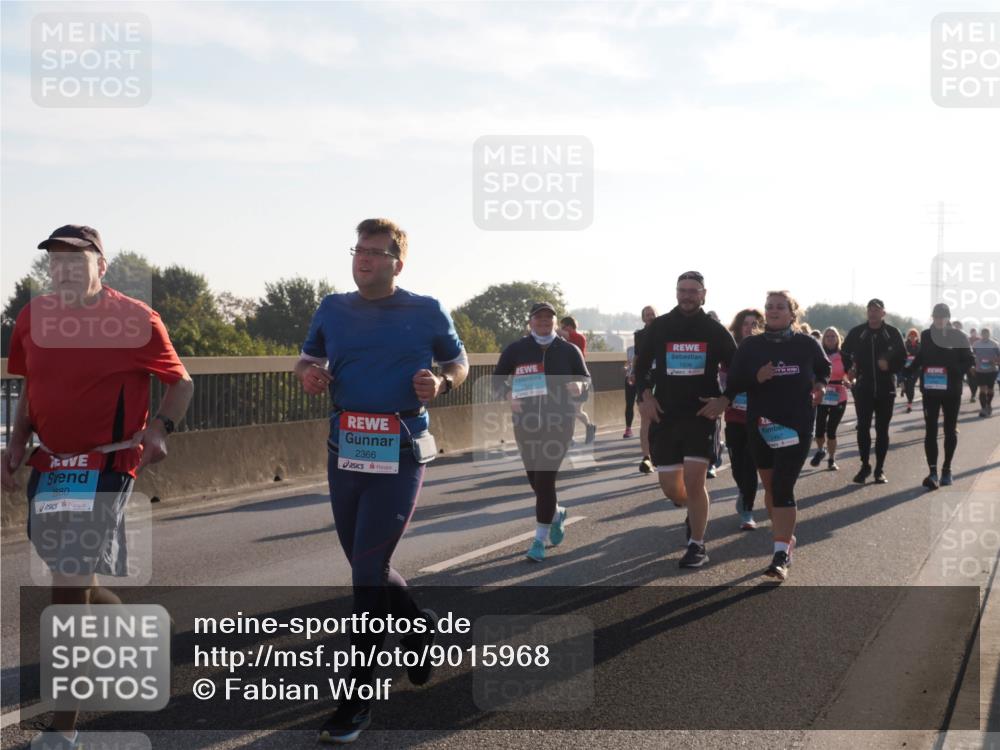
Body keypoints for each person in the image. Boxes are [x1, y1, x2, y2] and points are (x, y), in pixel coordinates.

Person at [1, 225, 194, 749]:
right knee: (70, 575)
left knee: (67, 585)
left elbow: (180, 382)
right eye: (54, 262)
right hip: (52, 464)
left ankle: (62, 731)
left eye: (75, 260)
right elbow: (30, 386)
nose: (63, 270)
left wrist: (160, 428)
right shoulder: (32, 319)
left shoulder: (135, 319)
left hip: (106, 466)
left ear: (101, 266)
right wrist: (16, 442)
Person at [296, 218, 469, 744]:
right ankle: (418, 629)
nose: (363, 258)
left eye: (375, 252)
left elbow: (459, 362)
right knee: (365, 564)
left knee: (366, 575)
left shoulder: (426, 309)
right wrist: (307, 372)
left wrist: (440, 381)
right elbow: (307, 356)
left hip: (399, 452)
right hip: (345, 449)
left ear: (398, 262)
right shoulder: (332, 308)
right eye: (358, 250)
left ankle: (356, 700)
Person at [724, 291, 830, 581]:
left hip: (796, 425)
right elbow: (733, 382)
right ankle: (786, 538)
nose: (772, 310)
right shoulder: (750, 346)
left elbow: (824, 369)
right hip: (760, 425)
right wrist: (755, 378)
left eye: (779, 307)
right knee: (771, 489)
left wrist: (820, 387)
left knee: (783, 488)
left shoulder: (807, 344)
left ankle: (780, 552)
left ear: (792, 313)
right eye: (769, 306)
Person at [634, 271, 735, 568]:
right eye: (682, 290)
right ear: (676, 293)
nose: (687, 295)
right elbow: (639, 368)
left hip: (701, 415)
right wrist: (645, 396)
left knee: (694, 480)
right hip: (665, 415)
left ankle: (697, 544)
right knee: (671, 488)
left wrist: (724, 399)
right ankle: (693, 510)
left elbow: (738, 367)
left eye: (693, 291)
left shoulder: (714, 330)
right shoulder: (661, 326)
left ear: (704, 294)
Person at [495, 302, 591, 562]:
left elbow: (586, 381)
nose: (544, 322)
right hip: (525, 423)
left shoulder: (569, 350)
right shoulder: (517, 349)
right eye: (539, 318)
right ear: (530, 322)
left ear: (555, 322)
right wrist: (507, 395)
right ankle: (557, 512)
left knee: (546, 478)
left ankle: (538, 540)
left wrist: (579, 388)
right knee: (535, 479)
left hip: (560, 422)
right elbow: (496, 379)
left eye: (548, 318)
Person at [904, 304, 974, 490]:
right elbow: (920, 357)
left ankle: (947, 469)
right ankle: (932, 472)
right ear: (932, 317)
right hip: (930, 389)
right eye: (936, 317)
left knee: (950, 430)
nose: (939, 320)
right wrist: (909, 371)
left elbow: (969, 360)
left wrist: (956, 371)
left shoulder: (959, 336)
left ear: (948, 318)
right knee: (931, 430)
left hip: (951, 390)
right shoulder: (926, 335)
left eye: (943, 317)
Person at [840, 299, 906, 484]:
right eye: (870, 309)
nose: (873, 313)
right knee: (862, 428)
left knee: (882, 430)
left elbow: (902, 357)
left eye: (877, 310)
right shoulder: (857, 332)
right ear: (867, 312)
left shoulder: (891, 333)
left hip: (886, 388)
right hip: (863, 388)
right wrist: (850, 369)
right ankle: (865, 465)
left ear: (883, 313)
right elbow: (844, 353)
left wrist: (890, 366)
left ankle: (879, 469)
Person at [723, 308, 764, 529]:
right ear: (739, 327)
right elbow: (721, 381)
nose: (750, 327)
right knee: (738, 466)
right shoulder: (729, 353)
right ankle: (743, 490)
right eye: (746, 323)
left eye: (755, 323)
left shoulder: (766, 351)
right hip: (734, 417)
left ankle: (747, 511)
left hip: (758, 419)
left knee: (751, 464)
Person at [810, 327, 850, 471]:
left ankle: (831, 460)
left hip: (839, 395)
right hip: (822, 394)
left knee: (831, 430)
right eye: (827, 336)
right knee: (820, 430)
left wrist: (850, 380)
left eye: (833, 336)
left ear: (838, 338)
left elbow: (850, 374)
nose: (830, 339)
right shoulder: (818, 355)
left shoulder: (844, 355)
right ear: (823, 339)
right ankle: (821, 450)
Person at [560, 316, 596, 444]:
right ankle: (570, 437)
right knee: (568, 409)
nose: (561, 329)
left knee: (575, 410)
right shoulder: (562, 341)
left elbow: (560, 334)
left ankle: (589, 426)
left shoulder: (578, 338)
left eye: (563, 327)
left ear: (570, 327)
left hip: (579, 378)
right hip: (568, 377)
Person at [633, 305, 657, 473]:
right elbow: (637, 357)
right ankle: (646, 457)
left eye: (653, 314)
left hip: (663, 380)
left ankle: (662, 454)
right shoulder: (639, 336)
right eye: (647, 315)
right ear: (643, 318)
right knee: (645, 418)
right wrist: (633, 373)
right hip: (644, 379)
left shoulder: (665, 332)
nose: (650, 317)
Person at [972, 328, 1000, 417]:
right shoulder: (976, 344)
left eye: (987, 333)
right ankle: (983, 408)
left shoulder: (994, 344)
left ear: (989, 334)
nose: (985, 335)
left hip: (991, 370)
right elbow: (973, 355)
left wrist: (994, 361)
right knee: (982, 389)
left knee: (990, 389)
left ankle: (989, 404)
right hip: (980, 370)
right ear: (981, 334)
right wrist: (973, 366)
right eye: (983, 333)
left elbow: (999, 358)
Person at [899, 328, 921, 412]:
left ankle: (909, 404)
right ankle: (903, 388)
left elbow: (921, 356)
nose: (912, 337)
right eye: (911, 335)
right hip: (906, 368)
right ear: (908, 336)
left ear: (917, 337)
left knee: (911, 386)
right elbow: (900, 354)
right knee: (907, 386)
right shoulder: (904, 345)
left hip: (915, 369)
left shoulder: (919, 345)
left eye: (914, 335)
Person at [624, 342, 636, 438]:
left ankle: (648, 426)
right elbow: (628, 362)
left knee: (643, 403)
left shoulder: (648, 347)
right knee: (629, 403)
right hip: (629, 378)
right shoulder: (630, 349)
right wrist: (626, 367)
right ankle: (628, 428)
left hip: (642, 378)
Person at [967, 326, 980, 403]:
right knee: (970, 379)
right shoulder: (968, 340)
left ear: (976, 333)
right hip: (969, 361)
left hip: (977, 361)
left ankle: (974, 394)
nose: (973, 334)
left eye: (974, 332)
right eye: (972, 332)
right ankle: (973, 393)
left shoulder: (979, 340)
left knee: (975, 378)